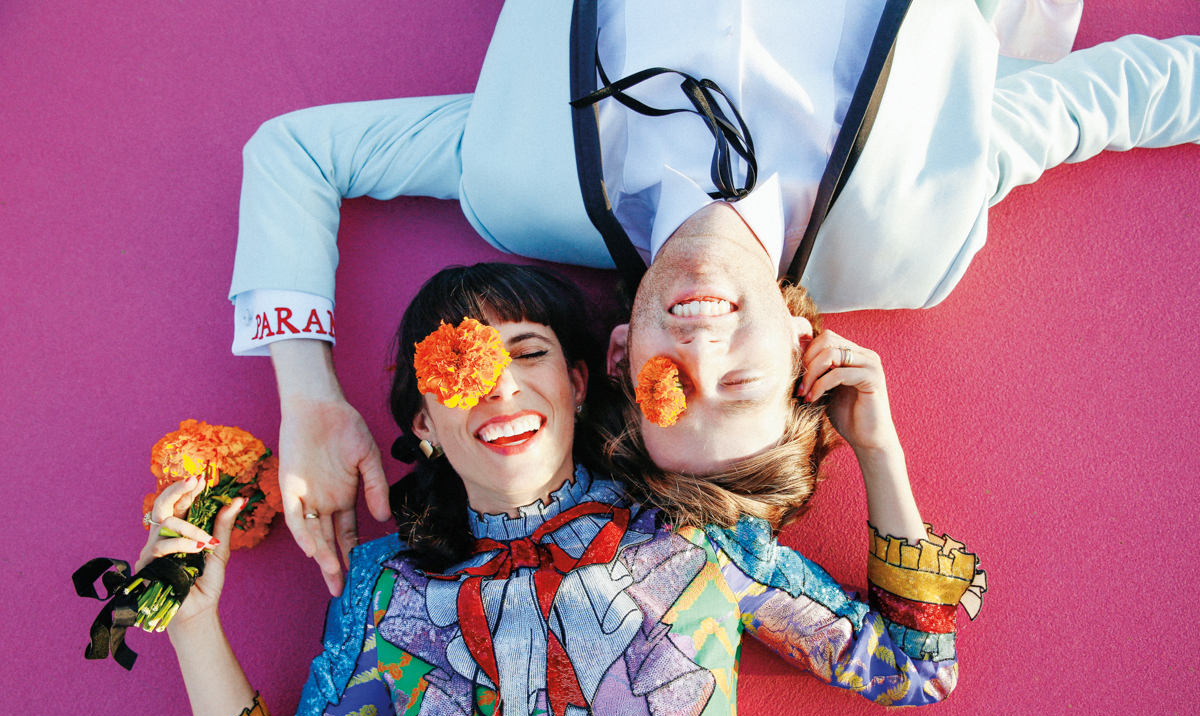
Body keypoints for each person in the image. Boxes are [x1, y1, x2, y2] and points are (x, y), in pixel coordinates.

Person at [226, 0, 1199, 593]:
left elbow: (297, 151)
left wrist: (308, 393)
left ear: (614, 356)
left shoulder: (523, 182)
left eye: (666, 392)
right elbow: (1140, 95)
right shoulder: (920, 226)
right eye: (740, 384)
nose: (699, 350)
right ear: (803, 342)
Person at [150, 262, 982, 716]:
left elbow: (915, 668)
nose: (501, 387)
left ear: (581, 383)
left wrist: (877, 449)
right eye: (461, 366)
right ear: (425, 423)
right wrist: (190, 627)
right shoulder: (387, 592)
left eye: (528, 351)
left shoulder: (693, 537)